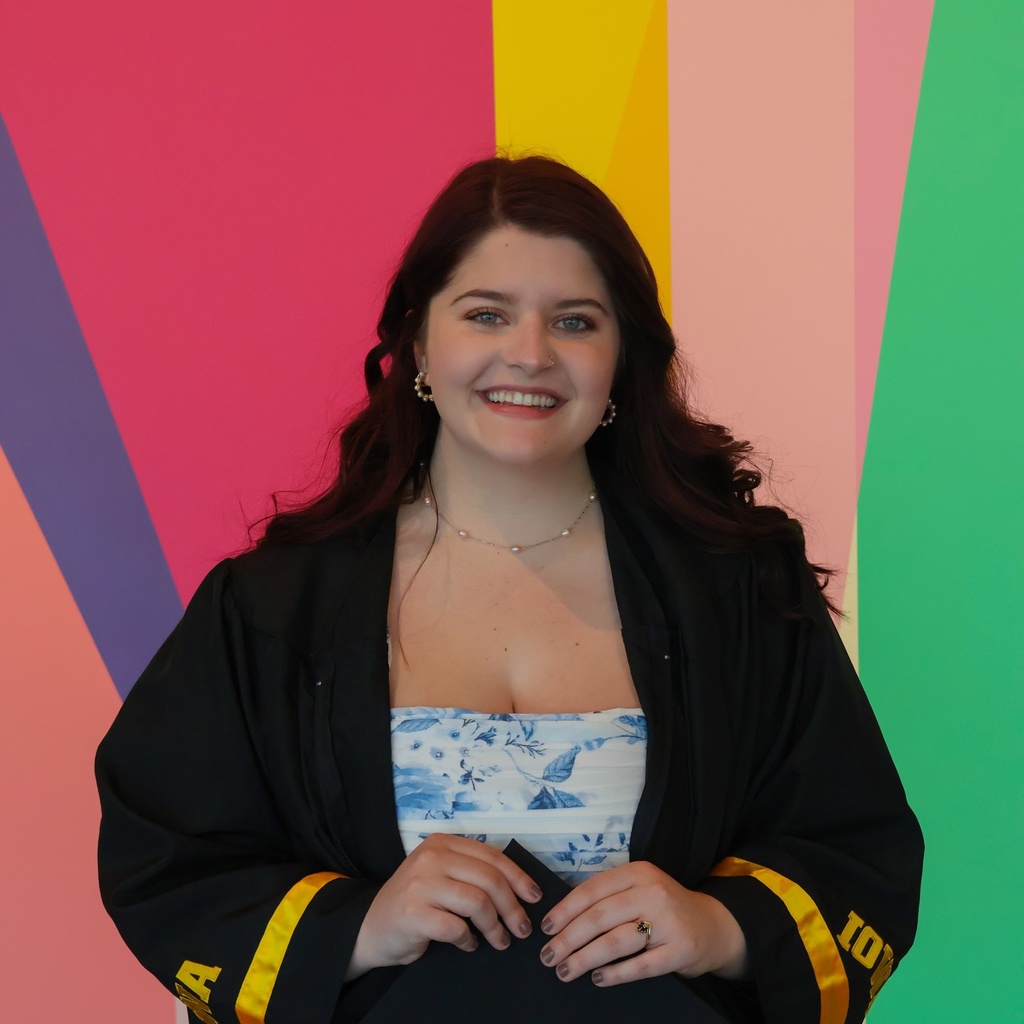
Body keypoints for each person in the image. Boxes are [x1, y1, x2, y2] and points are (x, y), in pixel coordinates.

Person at [96, 155, 923, 1024]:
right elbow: (170, 858)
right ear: (419, 342)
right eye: (485, 314)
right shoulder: (271, 607)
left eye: (575, 321)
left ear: (620, 358)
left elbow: (853, 844)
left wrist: (722, 925)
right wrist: (359, 926)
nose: (529, 355)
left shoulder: (740, 592)